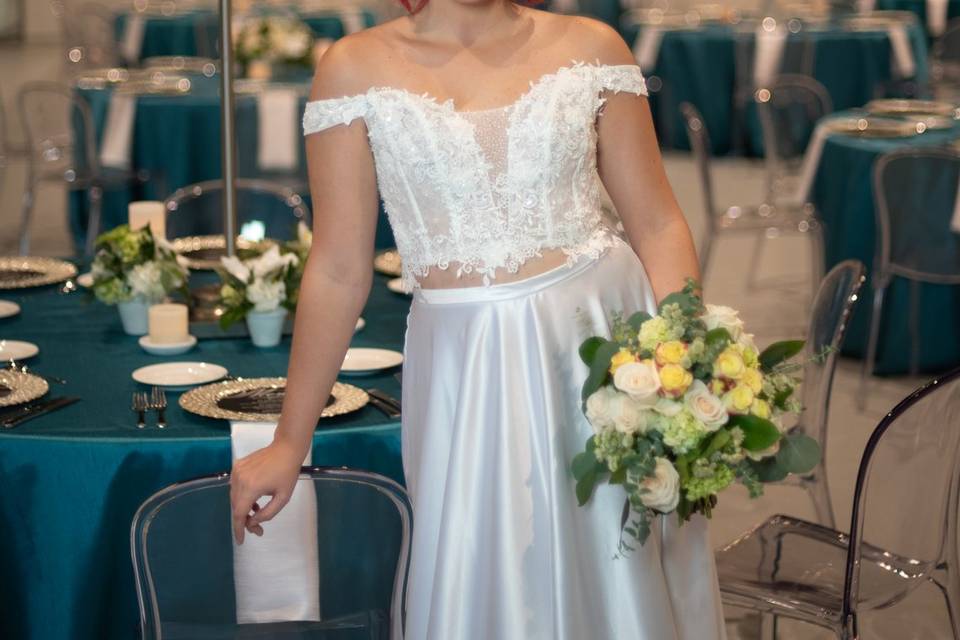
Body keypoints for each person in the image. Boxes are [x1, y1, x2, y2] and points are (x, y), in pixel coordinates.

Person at [230, 0, 727, 637]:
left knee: (615, 560)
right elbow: (336, 269)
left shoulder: (594, 45)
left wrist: (684, 359)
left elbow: (657, 224)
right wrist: (289, 441)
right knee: (485, 563)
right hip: (466, 367)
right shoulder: (353, 66)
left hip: (604, 352)